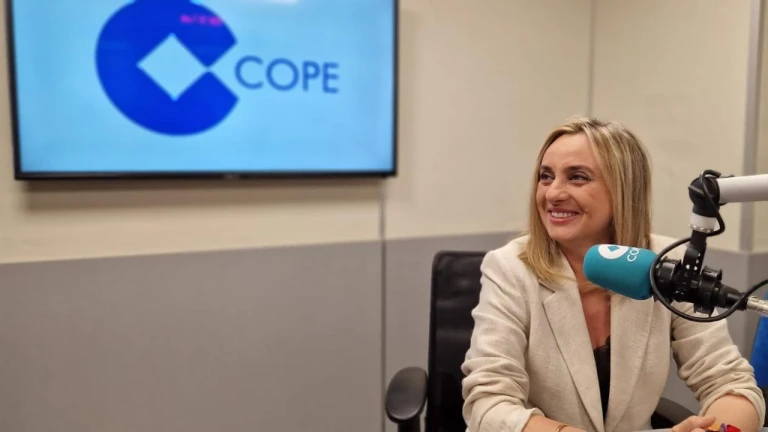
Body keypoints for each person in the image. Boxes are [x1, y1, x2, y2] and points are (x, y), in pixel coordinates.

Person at [460, 116, 766, 432]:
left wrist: (718, 430)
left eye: (577, 177)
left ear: (624, 190)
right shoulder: (510, 268)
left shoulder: (667, 264)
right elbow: (488, 404)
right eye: (546, 176)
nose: (552, 193)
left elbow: (728, 380)